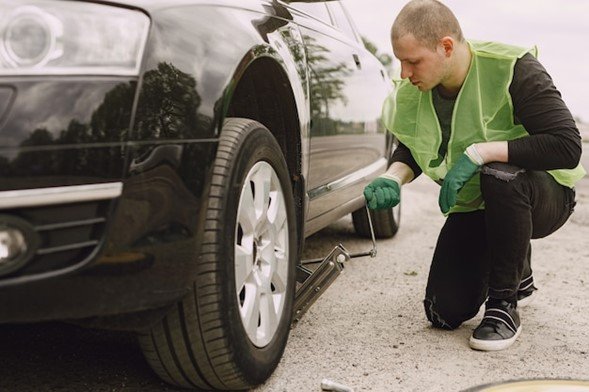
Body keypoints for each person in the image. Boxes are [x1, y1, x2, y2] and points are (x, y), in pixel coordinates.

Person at [363, 0, 585, 351]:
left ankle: (503, 305)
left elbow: (567, 146)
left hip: (541, 195)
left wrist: (481, 151)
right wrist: (393, 177)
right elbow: (412, 146)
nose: (404, 72)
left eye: (413, 60)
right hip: (481, 205)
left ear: (446, 46)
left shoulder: (513, 68)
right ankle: (516, 264)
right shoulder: (415, 91)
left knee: (499, 174)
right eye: (400, 61)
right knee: (443, 312)